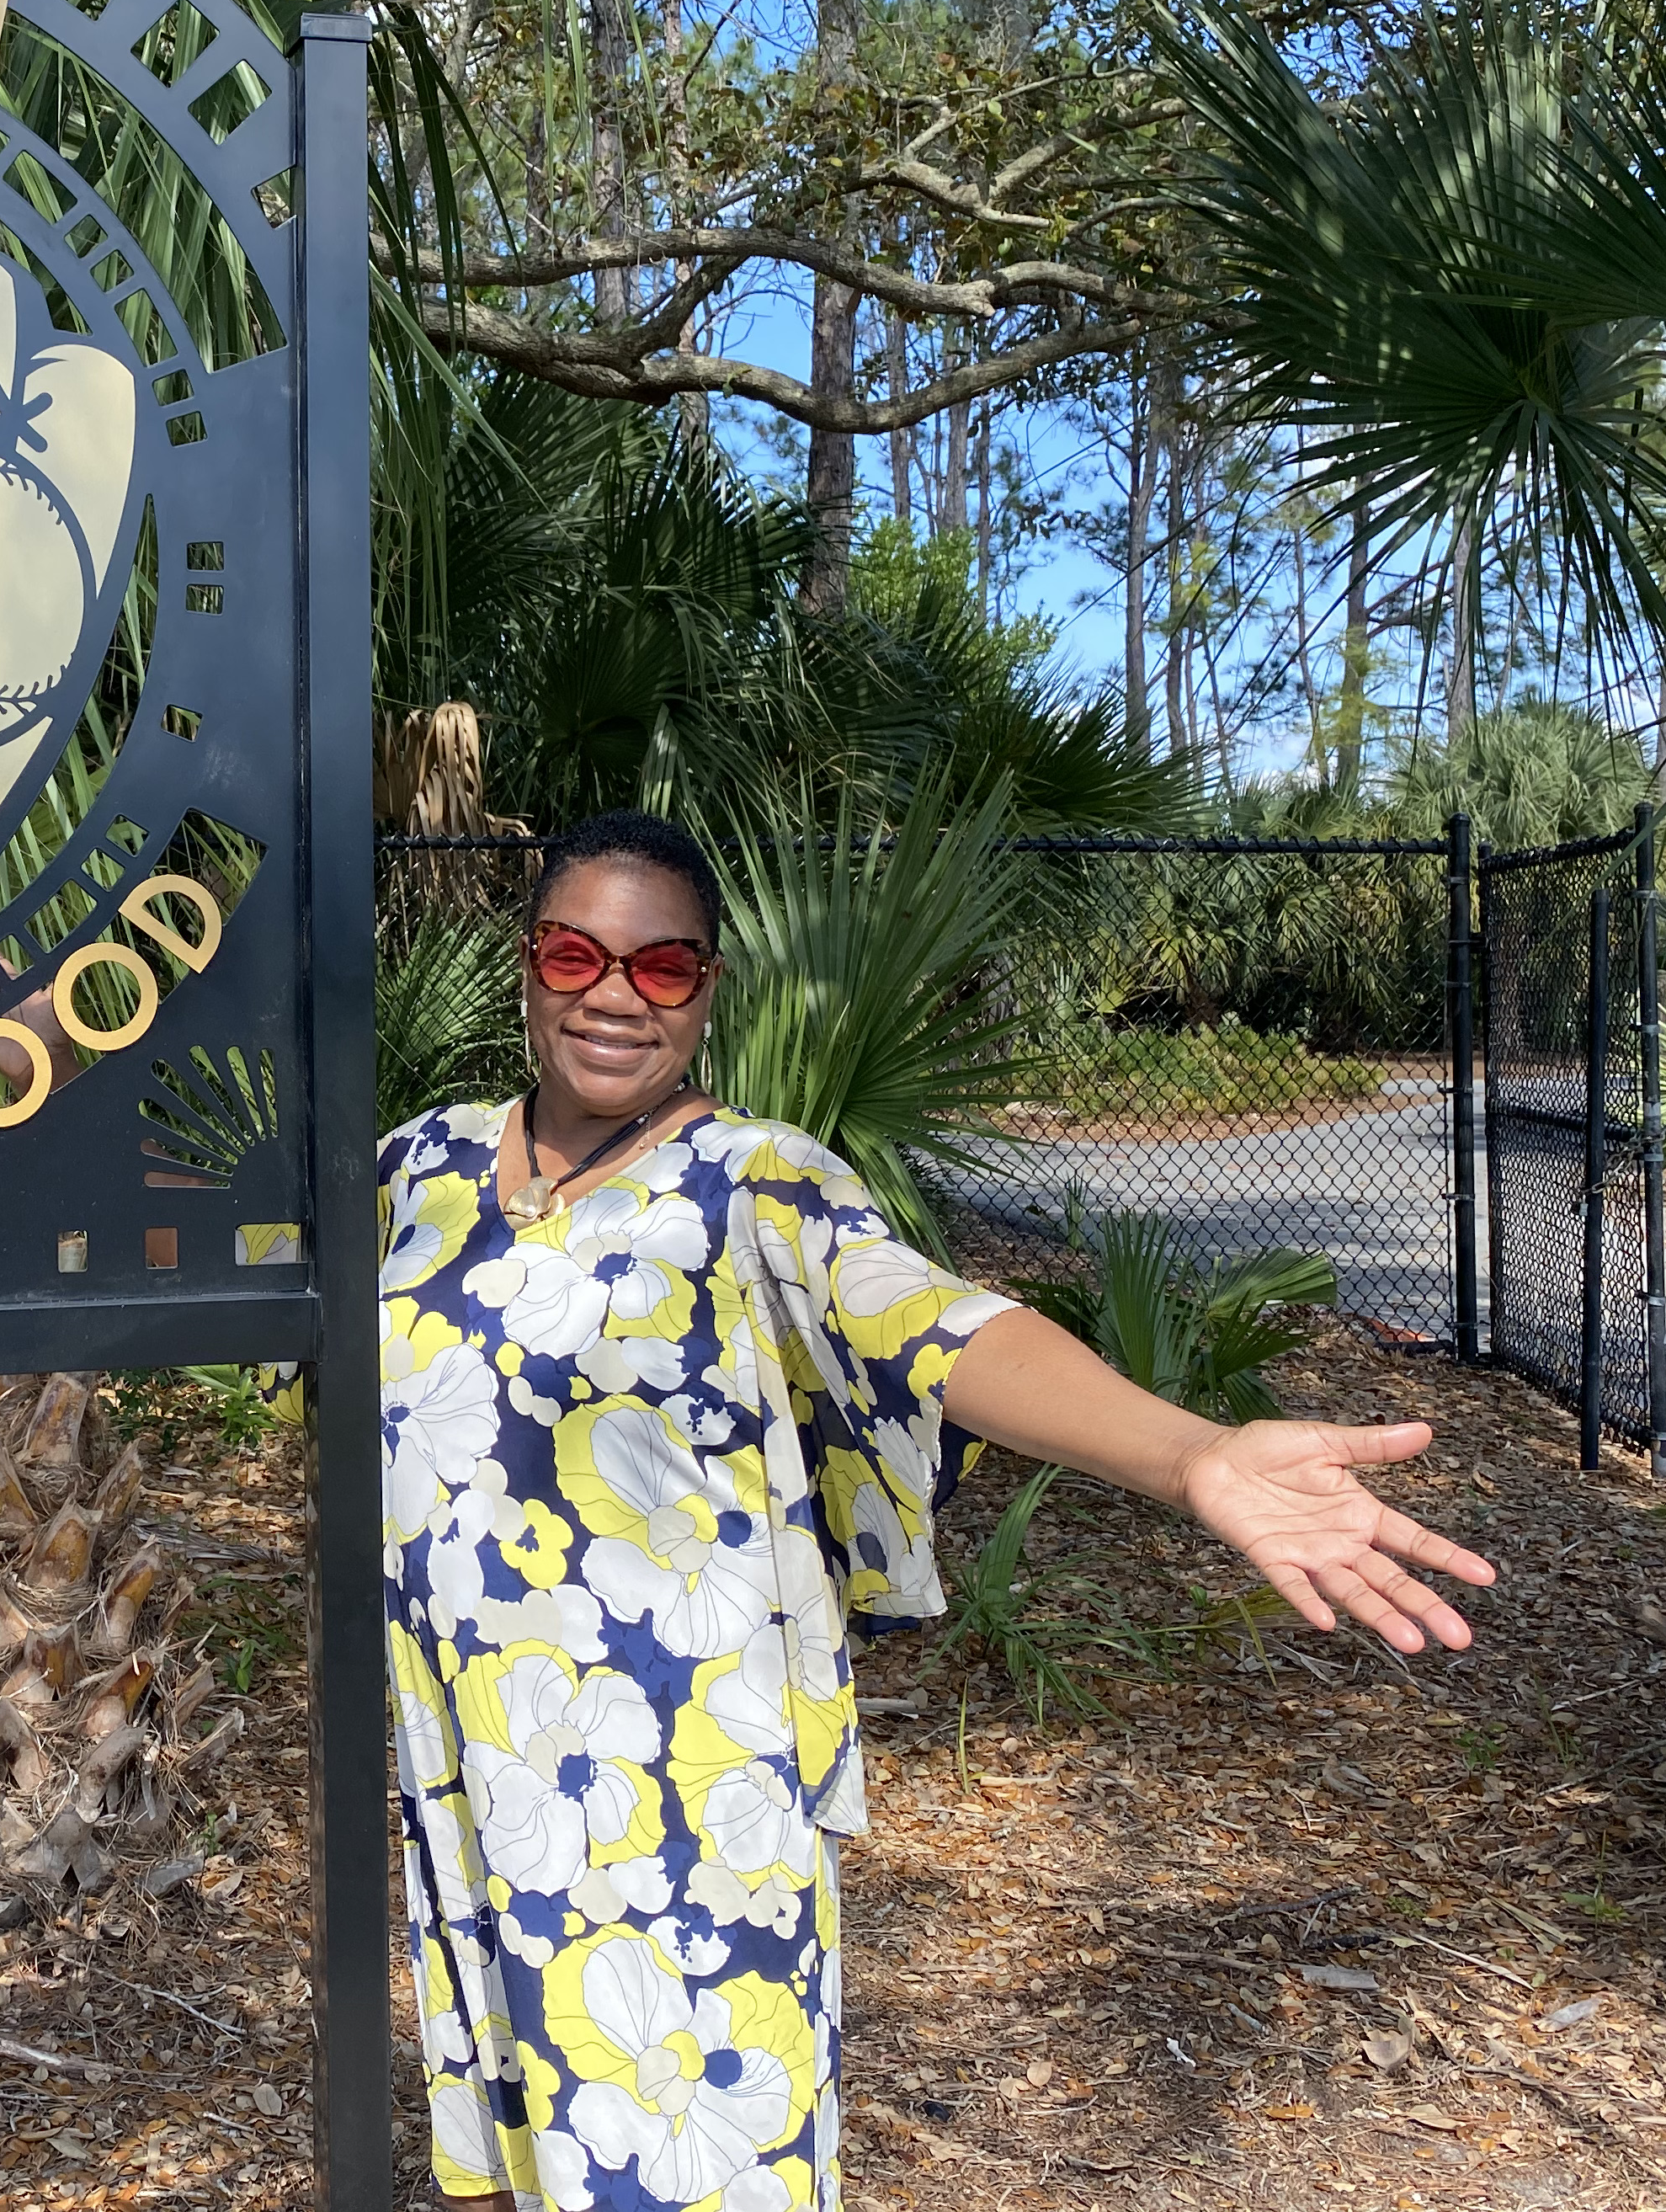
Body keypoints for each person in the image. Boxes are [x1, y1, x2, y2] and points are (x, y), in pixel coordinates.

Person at [381, 807, 1495, 2211]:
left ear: (707, 991)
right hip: (473, 1772)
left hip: (674, 1783)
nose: (615, 994)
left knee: (686, 2154)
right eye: (575, 954)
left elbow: (941, 1327)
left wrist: (1190, 1455)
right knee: (539, 2165)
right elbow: (217, 1242)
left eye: (663, 968)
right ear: (526, 969)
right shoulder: (416, 1170)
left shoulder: (754, 1183)